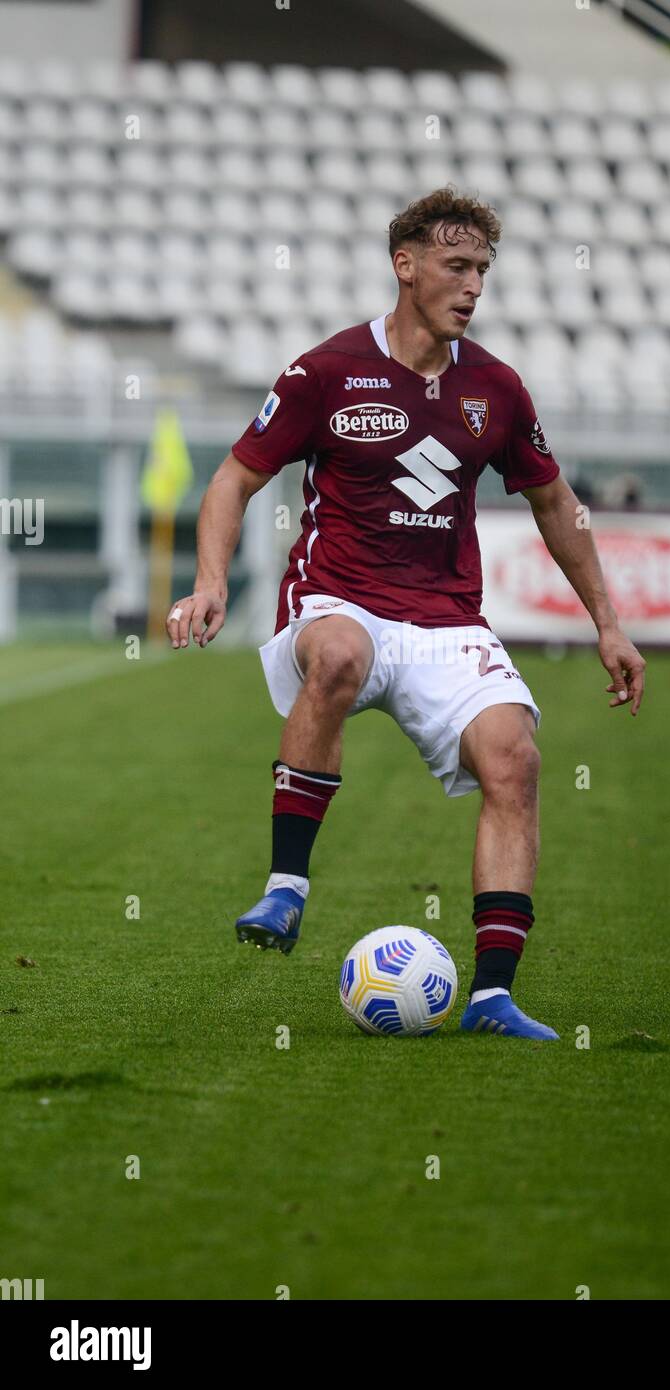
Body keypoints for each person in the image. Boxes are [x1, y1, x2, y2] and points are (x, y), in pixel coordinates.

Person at [166, 187, 645, 1041]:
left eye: (483, 271)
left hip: (447, 620)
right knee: (340, 656)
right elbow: (234, 477)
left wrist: (607, 622)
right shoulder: (324, 371)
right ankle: (286, 890)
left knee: (515, 759)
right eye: (456, 267)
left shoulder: (496, 388)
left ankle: (492, 998)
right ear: (406, 265)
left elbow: (555, 504)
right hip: (337, 597)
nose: (472, 286)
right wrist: (208, 583)